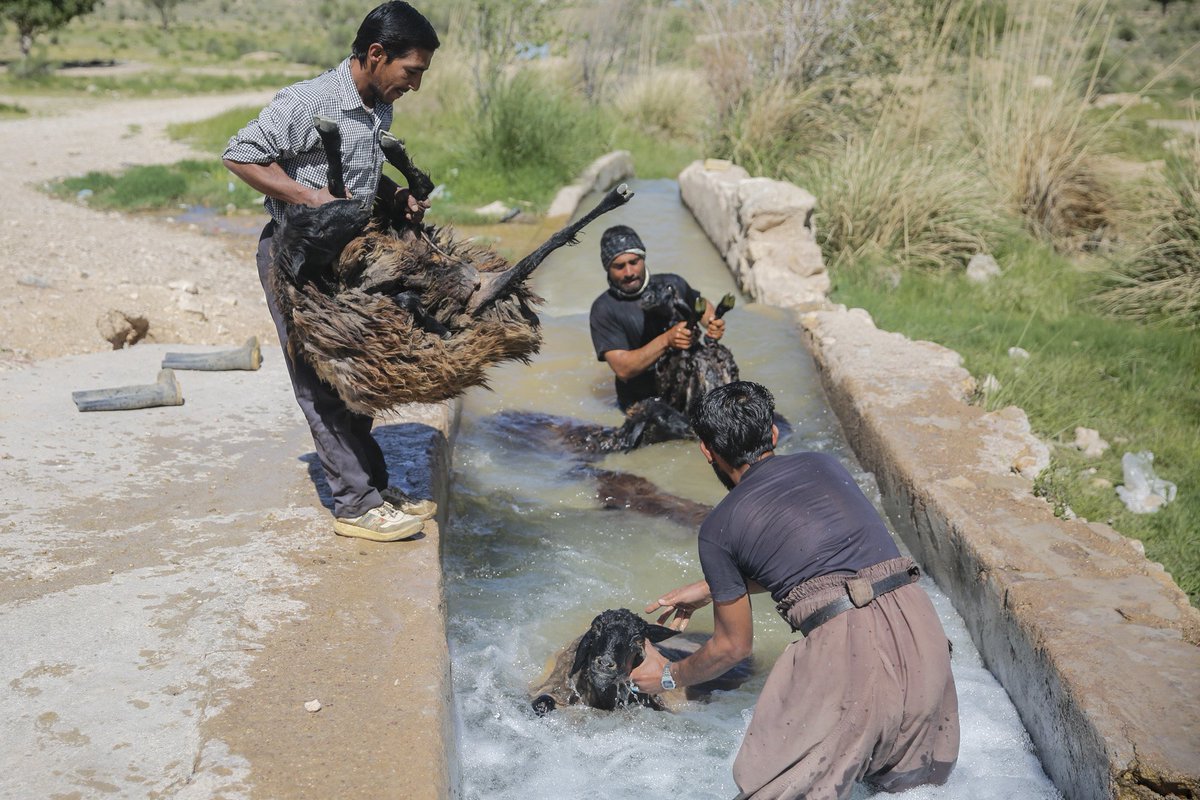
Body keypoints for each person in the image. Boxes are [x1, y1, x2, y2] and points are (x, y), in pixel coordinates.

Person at [630, 381, 959, 800]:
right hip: (920, 631)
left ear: (706, 451)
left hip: (848, 653)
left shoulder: (719, 528)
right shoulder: (826, 465)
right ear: (773, 435)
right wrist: (713, 588)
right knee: (908, 792)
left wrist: (668, 678)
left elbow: (732, 649)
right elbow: (822, 561)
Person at [222, 1, 439, 542]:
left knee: (356, 374)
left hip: (350, 261)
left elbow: (360, 178)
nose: (414, 85)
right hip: (295, 261)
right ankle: (355, 506)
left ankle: (370, 484)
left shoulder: (377, 107)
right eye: (411, 72)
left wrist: (395, 195)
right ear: (375, 53)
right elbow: (239, 153)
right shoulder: (308, 100)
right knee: (319, 385)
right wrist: (306, 197)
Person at [589, 225, 726, 412]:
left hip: (688, 391)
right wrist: (667, 340)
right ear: (608, 269)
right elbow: (623, 369)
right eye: (619, 266)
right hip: (642, 404)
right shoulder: (603, 309)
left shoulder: (673, 283)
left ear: (643, 258)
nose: (629, 272)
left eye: (634, 262)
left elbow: (700, 304)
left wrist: (712, 322)